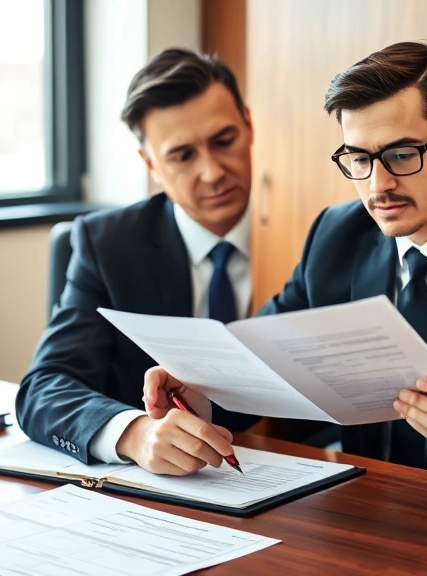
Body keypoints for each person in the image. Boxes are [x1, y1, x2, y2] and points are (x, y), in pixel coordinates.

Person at [143, 41, 427, 492]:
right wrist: (198, 387)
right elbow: (263, 361)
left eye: (401, 154)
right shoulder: (336, 236)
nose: (378, 185)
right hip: (366, 511)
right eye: (358, 158)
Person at [15, 48, 261, 476]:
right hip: (165, 491)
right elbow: (43, 389)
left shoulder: (318, 238)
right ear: (150, 165)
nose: (213, 172)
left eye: (224, 141)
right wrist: (136, 433)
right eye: (183, 155)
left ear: (249, 125)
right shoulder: (108, 244)